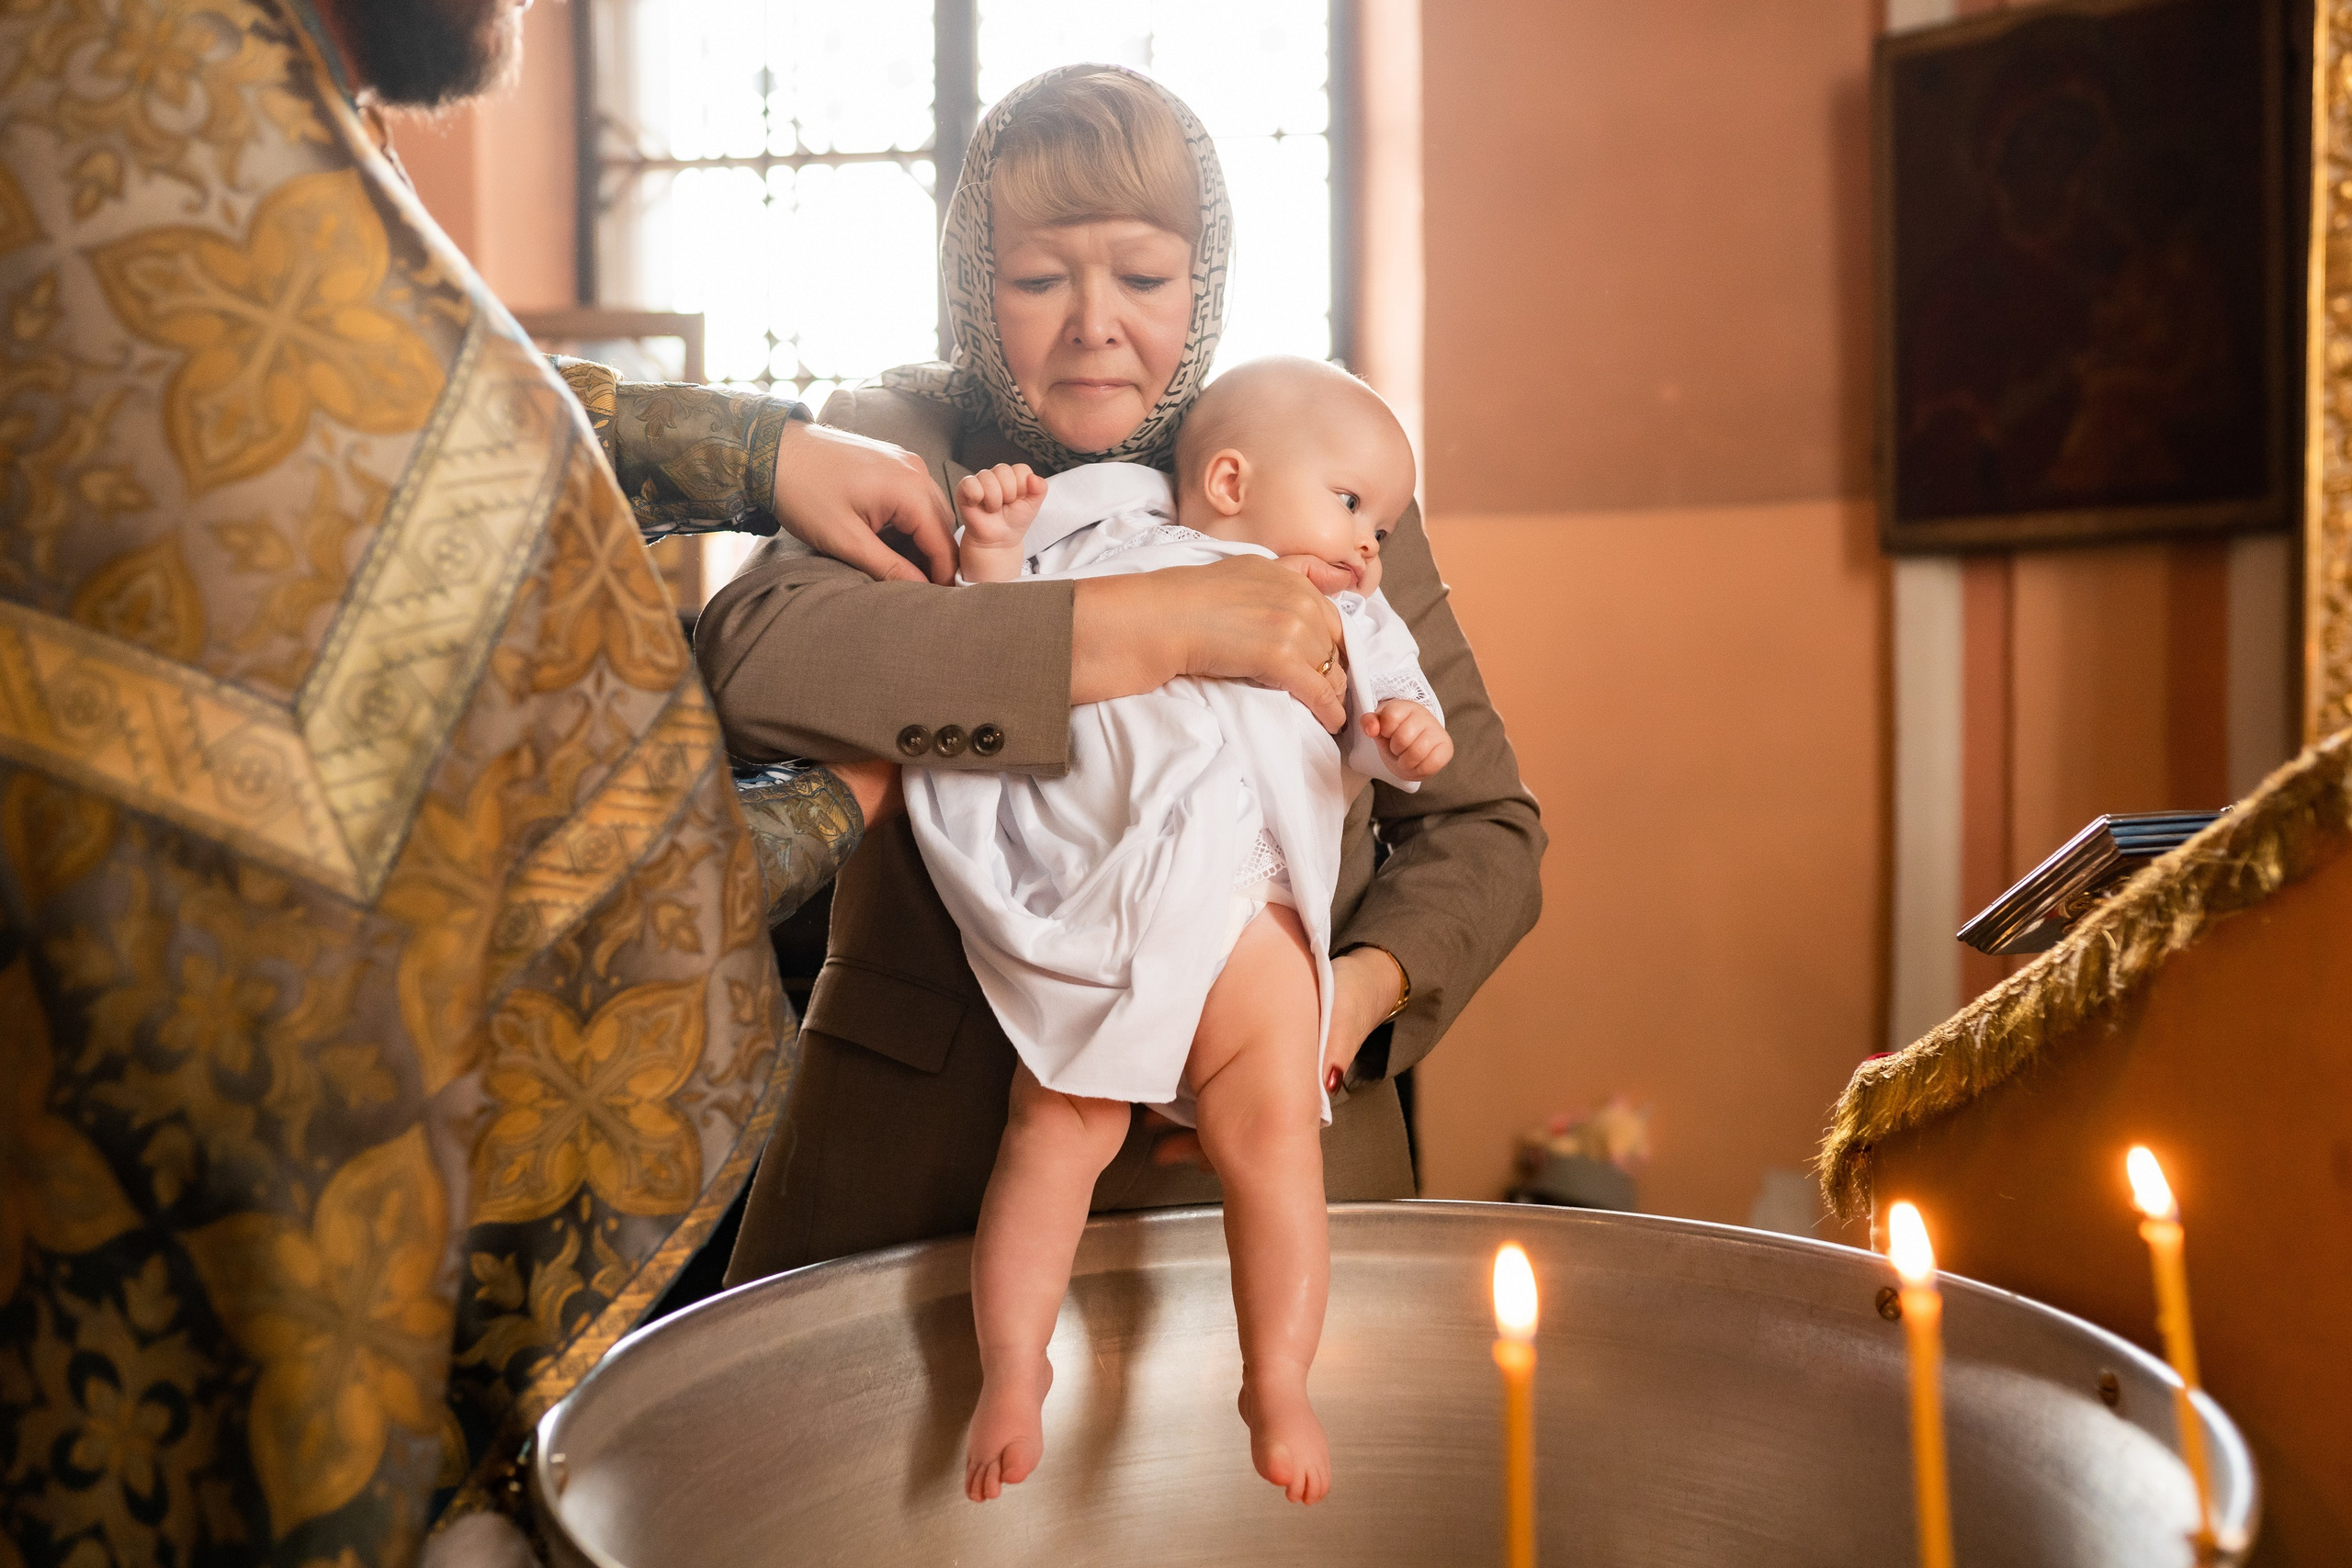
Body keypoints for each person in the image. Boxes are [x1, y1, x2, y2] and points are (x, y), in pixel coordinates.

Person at [0, 1, 951, 1562]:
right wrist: (830, 803)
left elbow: (461, 407)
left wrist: (750, 445)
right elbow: (538, 902)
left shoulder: (174, 91)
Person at [703, 66, 1545, 1303]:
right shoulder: (905, 439)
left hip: (1250, 1150)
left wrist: (1338, 1002)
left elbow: (1482, 824)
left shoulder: (1312, 473)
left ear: (1200, 288)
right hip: (922, 1157)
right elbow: (762, 660)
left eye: (1144, 280)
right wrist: (1152, 621)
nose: (1096, 323)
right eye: (1041, 279)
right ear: (975, 288)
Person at [928, 356, 1453, 1506]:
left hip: (1255, 917)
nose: (1371, 547)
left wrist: (1408, 734)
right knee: (1054, 1134)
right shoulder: (1112, 546)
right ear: (1227, 478)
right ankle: (1014, 1368)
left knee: (1274, 1143)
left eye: (1384, 524)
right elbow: (997, 649)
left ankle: (1277, 1377)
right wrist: (995, 555)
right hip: (1113, 904)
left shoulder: (1353, 613)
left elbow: (1387, 720)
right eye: (1352, 505)